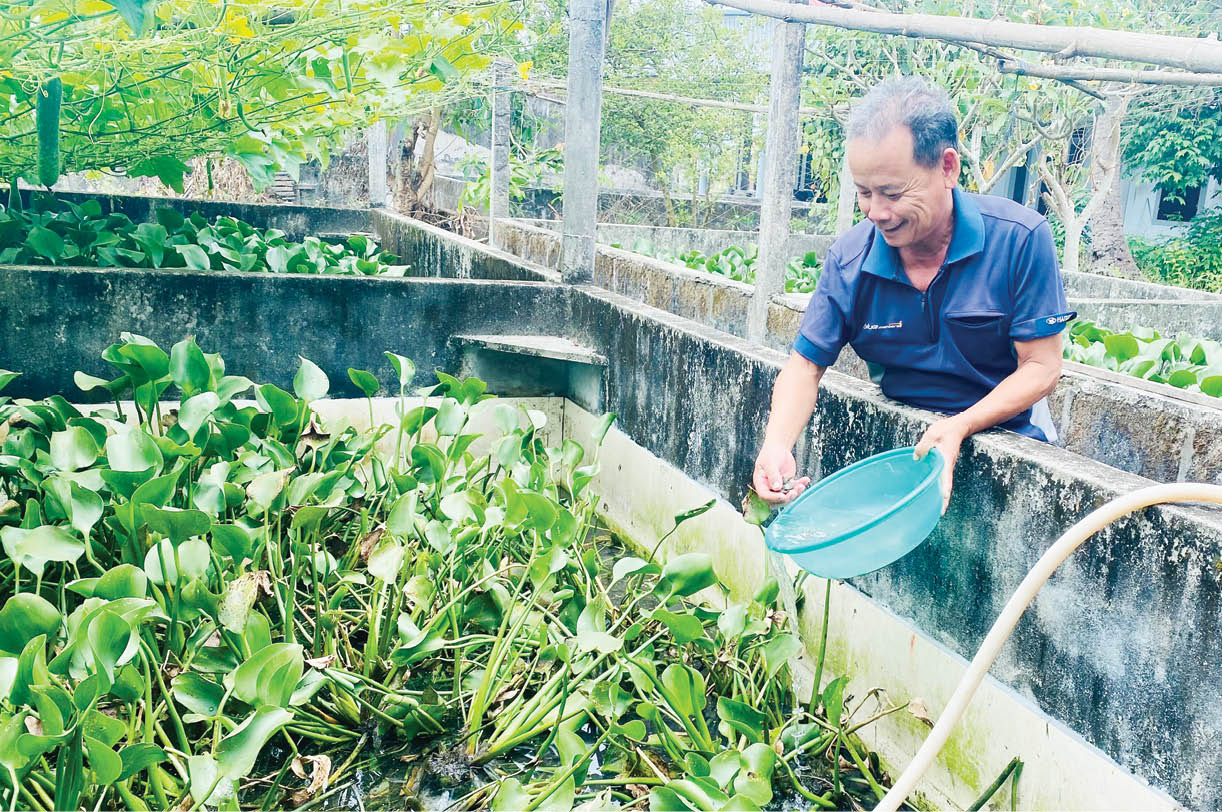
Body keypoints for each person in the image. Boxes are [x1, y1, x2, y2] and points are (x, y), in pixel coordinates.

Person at [753, 75, 1074, 512]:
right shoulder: (849, 259)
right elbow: (805, 366)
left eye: (892, 192)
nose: (877, 212)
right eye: (864, 192)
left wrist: (960, 427)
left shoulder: (1020, 239)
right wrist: (776, 445)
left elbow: (1041, 367)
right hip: (904, 451)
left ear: (947, 168)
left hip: (1009, 437)